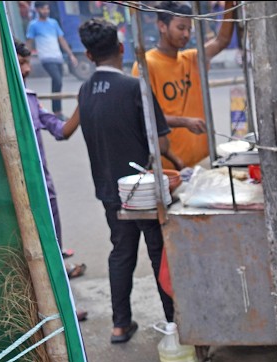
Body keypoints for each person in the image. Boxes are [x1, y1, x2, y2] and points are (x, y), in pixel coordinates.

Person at [63, 18, 182, 344]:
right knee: (159, 254)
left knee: (121, 252)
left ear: (88, 56)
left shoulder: (85, 91)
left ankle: (120, 325)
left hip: (109, 191)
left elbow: (67, 131)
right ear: (120, 47)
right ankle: (174, 322)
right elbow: (162, 144)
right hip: (144, 193)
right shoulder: (135, 87)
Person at [16, 41, 89, 300]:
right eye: (21, 62)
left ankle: (62, 298)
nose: (26, 69)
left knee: (52, 242)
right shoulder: (6, 103)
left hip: (44, 188)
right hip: (17, 189)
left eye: (27, 62)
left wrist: (83, 104)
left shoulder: (32, 100)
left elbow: (62, 130)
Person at [134, 0, 238, 170]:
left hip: (204, 161)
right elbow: (147, 116)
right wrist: (185, 122)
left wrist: (229, 5)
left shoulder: (191, 59)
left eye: (189, 29)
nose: (186, 34)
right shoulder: (146, 64)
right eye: (181, 28)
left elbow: (222, 40)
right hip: (172, 167)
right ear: (162, 26)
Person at [25, 2, 78, 114]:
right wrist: (26, 61)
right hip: (46, 57)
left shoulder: (53, 23)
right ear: (38, 10)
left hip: (57, 56)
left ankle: (58, 111)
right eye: (43, 9)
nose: (46, 11)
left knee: (58, 83)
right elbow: (29, 43)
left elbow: (61, 40)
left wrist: (70, 55)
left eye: (47, 9)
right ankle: (57, 111)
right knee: (57, 80)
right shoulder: (33, 25)